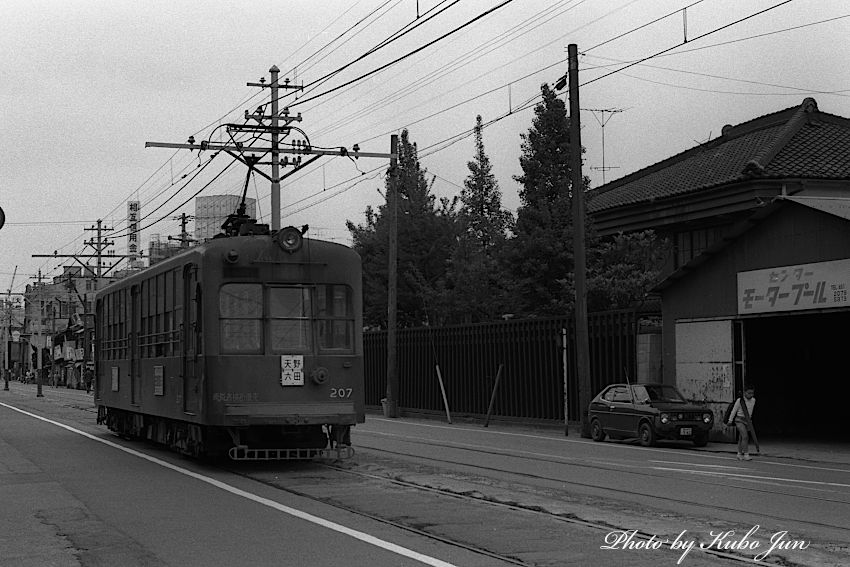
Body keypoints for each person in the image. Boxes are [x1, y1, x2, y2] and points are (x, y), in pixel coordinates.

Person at [726, 386, 756, 460]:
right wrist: (730, 420)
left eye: (752, 393)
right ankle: (746, 454)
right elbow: (734, 411)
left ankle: (739, 454)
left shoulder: (753, 400)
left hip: (747, 420)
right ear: (745, 392)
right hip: (739, 420)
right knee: (745, 436)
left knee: (741, 438)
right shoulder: (740, 400)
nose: (751, 395)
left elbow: (750, 412)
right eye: (749, 393)